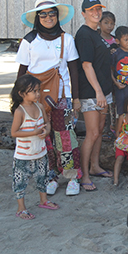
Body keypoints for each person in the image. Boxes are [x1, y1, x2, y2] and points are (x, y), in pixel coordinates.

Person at [16, 0, 81, 196]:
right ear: (37, 18)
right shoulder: (29, 41)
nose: (48, 17)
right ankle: (51, 175)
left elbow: (73, 70)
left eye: (51, 13)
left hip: (62, 96)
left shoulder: (66, 39)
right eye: (43, 14)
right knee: (46, 138)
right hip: (35, 100)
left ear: (57, 16)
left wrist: (75, 98)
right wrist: (19, 101)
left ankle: (72, 177)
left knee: (66, 137)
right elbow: (22, 71)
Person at [75, 0, 113, 192]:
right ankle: (84, 175)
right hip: (92, 92)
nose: (96, 13)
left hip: (103, 91)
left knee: (99, 130)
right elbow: (86, 65)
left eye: (98, 9)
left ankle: (95, 166)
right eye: (91, 10)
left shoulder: (96, 33)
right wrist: (98, 92)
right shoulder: (84, 35)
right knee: (93, 133)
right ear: (83, 14)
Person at [10, 75, 58, 220]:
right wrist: (35, 132)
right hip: (23, 154)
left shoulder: (40, 106)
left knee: (42, 177)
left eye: (38, 90)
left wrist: (47, 131)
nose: (38, 94)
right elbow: (14, 132)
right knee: (20, 181)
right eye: (34, 91)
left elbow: (47, 122)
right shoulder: (20, 111)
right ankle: (21, 208)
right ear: (22, 93)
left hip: (40, 151)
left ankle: (43, 200)